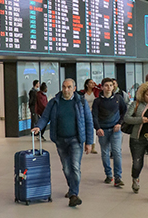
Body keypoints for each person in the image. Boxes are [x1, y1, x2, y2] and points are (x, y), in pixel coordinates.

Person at [32, 79, 94, 208]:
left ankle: (73, 195)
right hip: (60, 140)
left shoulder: (81, 102)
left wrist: (89, 142)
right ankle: (72, 188)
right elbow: (45, 117)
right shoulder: (55, 102)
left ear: (74, 88)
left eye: (69, 87)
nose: (66, 90)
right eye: (64, 87)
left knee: (75, 167)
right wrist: (38, 127)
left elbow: (89, 121)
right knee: (66, 168)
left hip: (76, 139)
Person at [92, 78, 127, 187]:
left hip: (115, 130)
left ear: (113, 87)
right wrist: (97, 128)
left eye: (110, 85)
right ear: (102, 87)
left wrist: (120, 123)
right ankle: (108, 174)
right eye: (106, 85)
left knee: (116, 152)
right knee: (105, 152)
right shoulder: (97, 101)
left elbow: (124, 111)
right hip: (103, 130)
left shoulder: (118, 98)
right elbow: (94, 116)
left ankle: (118, 177)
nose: (108, 87)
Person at [79, 79, 100, 153]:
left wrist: (97, 85)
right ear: (87, 85)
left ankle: (93, 146)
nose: (92, 84)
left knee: (93, 129)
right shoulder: (82, 93)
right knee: (83, 128)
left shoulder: (96, 91)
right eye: (90, 83)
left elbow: (102, 88)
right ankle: (84, 143)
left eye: (93, 82)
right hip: (84, 112)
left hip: (93, 112)